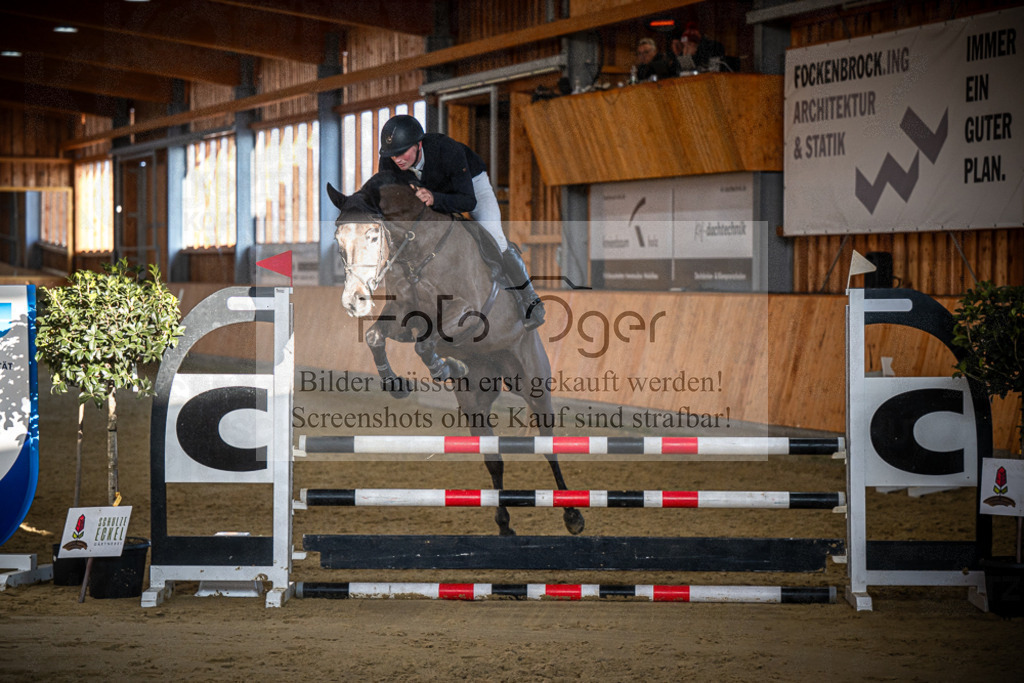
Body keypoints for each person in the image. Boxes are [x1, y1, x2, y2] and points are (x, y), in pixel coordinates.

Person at [377, 114, 545, 330]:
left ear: (419, 145)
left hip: (470, 186)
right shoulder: (388, 162)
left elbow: (467, 200)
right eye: (392, 155)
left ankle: (530, 299)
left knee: (494, 235)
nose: (397, 159)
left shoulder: (447, 150)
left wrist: (435, 198)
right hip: (428, 195)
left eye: (402, 152)